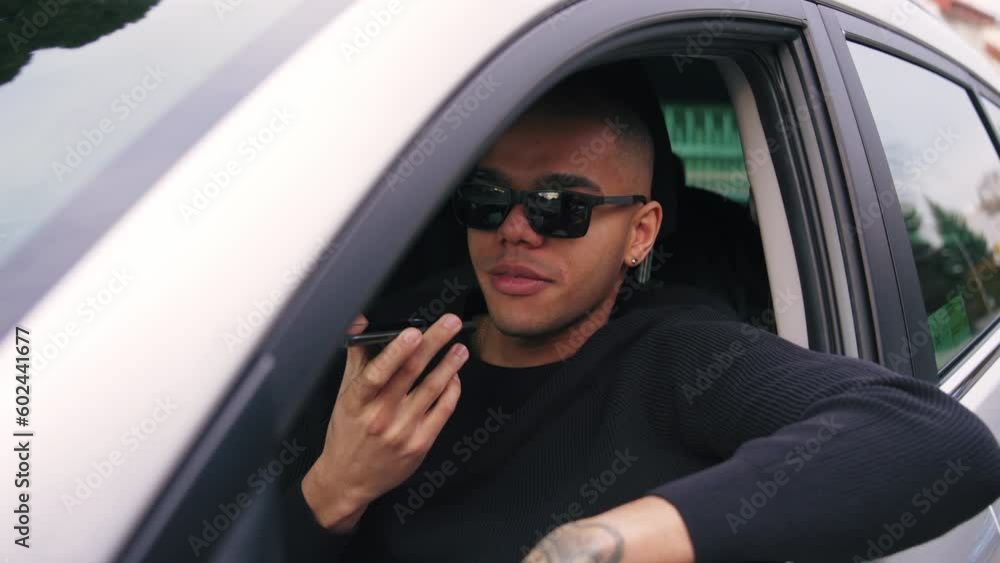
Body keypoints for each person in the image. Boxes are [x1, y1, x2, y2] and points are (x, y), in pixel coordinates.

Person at [281, 63, 1000, 563]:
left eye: (561, 206)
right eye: (488, 200)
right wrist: (335, 490)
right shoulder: (390, 351)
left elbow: (937, 434)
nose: (516, 229)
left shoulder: (680, 355)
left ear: (641, 233)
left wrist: (597, 547)